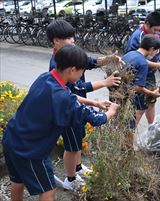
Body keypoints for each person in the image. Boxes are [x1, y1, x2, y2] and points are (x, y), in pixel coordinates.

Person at [2, 45, 119, 201]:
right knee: (48, 190)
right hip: (30, 150)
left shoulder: (45, 78)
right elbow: (96, 119)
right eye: (82, 71)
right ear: (72, 70)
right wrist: (111, 112)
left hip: (12, 138)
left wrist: (95, 103)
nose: (82, 74)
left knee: (17, 181)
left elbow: (67, 95)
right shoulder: (64, 98)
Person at [47, 19, 121, 191]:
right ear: (55, 41)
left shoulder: (72, 53)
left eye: (73, 37)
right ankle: (70, 179)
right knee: (71, 146)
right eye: (67, 38)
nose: (72, 40)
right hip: (70, 110)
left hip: (78, 105)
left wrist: (109, 59)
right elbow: (73, 91)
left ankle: (78, 169)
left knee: (78, 142)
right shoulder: (57, 64)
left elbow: (92, 62)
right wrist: (104, 83)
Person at [125, 11, 160, 126]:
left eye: (158, 31)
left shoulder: (156, 34)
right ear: (146, 24)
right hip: (140, 74)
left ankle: (152, 130)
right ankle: (130, 137)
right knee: (140, 108)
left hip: (150, 74)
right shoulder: (137, 36)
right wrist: (157, 65)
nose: (156, 33)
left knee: (151, 102)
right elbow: (135, 58)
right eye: (154, 30)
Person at [122, 34, 160, 131]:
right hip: (129, 97)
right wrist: (152, 93)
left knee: (122, 124)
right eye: (156, 51)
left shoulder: (128, 54)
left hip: (120, 94)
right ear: (152, 49)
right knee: (130, 127)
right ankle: (128, 146)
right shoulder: (143, 62)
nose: (156, 54)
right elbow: (138, 87)